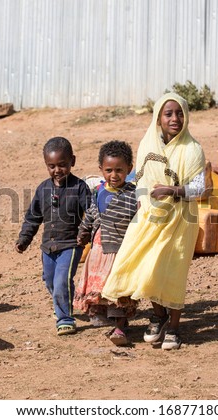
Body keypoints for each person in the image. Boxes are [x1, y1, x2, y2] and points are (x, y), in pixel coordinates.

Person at [102, 92, 207, 350]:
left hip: (181, 219)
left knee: (172, 271)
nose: (175, 118)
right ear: (158, 118)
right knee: (149, 269)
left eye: (180, 113)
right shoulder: (148, 145)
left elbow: (200, 189)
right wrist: (144, 205)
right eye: (168, 113)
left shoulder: (193, 150)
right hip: (150, 217)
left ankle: (173, 328)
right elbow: (142, 182)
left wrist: (171, 191)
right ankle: (158, 317)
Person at [15, 136, 91, 336]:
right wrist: (24, 239)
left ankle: (65, 318)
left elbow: (92, 213)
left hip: (71, 244)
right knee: (50, 280)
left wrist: (85, 232)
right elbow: (33, 217)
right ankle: (63, 303)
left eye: (62, 165)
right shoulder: (43, 189)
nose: (57, 170)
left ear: (72, 161)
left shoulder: (80, 187)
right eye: (52, 166)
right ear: (46, 166)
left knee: (61, 281)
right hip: (48, 246)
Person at [74, 140, 139, 346]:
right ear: (101, 169)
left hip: (122, 251)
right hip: (99, 250)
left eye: (119, 170)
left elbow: (140, 221)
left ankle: (119, 327)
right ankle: (103, 315)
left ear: (129, 168)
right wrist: (83, 232)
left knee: (119, 289)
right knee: (101, 286)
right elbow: (92, 215)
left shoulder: (134, 194)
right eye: (109, 170)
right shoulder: (99, 192)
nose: (114, 175)